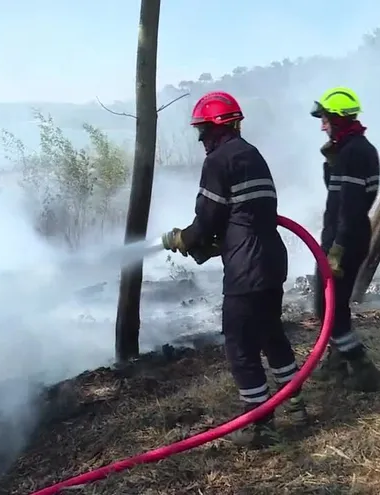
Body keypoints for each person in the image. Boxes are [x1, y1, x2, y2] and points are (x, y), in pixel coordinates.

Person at [161, 90, 307, 448]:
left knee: (240, 345)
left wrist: (186, 238)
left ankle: (260, 425)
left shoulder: (218, 161)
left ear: (214, 128)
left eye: (202, 131)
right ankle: (297, 406)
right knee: (272, 334)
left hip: (246, 270)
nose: (200, 139)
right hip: (271, 261)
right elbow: (246, 216)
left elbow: (208, 218)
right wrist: (214, 245)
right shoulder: (252, 155)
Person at [309, 86, 380, 392]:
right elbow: (336, 190)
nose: (322, 125)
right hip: (346, 236)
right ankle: (336, 362)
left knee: (326, 307)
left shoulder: (355, 152)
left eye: (325, 118)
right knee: (334, 303)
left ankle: (361, 365)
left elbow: (350, 207)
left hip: (345, 239)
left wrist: (337, 248)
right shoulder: (352, 149)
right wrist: (330, 162)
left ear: (338, 118)